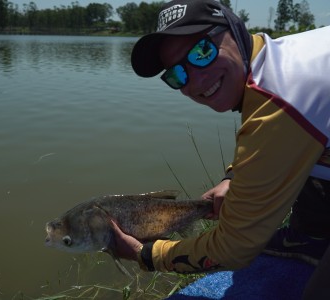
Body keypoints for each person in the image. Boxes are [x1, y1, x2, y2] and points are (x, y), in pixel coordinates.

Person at [110, 0, 330, 287]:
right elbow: (276, 145)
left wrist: (146, 254)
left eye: (202, 52)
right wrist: (235, 177)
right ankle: (310, 238)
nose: (195, 81)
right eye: (177, 75)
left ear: (235, 29)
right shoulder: (280, 57)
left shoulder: (278, 104)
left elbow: (233, 249)